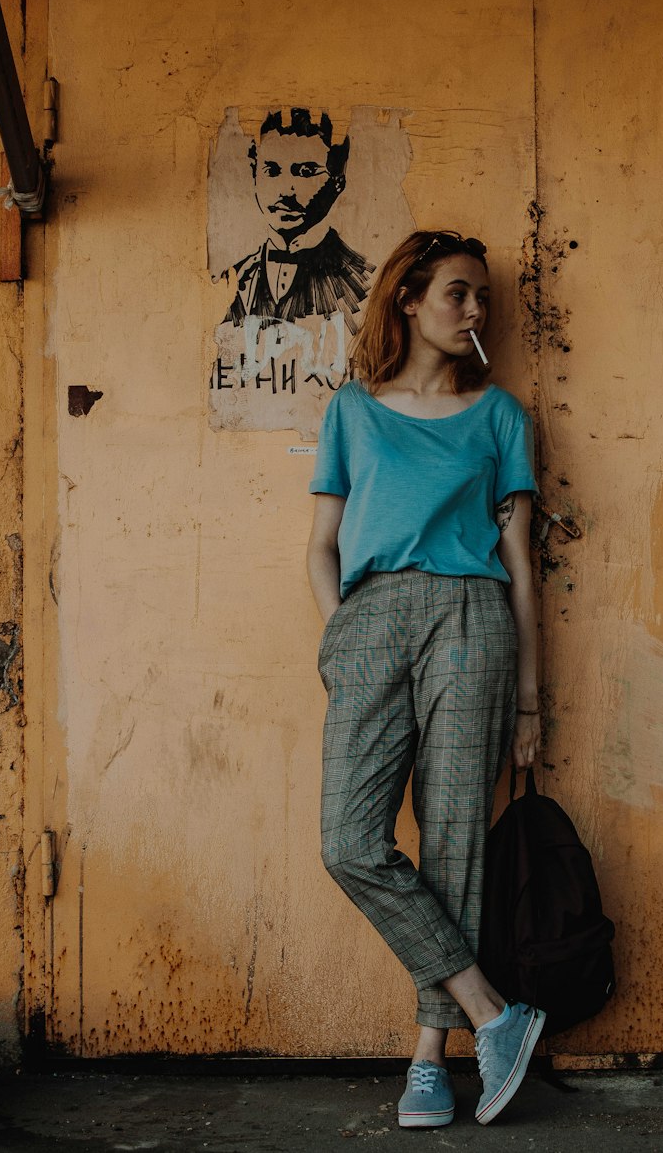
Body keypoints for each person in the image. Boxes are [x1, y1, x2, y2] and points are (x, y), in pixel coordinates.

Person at [307, 229, 545, 1129]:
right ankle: (496, 1014)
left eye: (482, 297)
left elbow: (520, 566)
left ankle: (429, 1062)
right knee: (350, 841)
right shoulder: (353, 411)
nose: (475, 310)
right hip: (371, 621)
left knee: (455, 840)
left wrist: (529, 696)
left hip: (471, 621)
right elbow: (321, 547)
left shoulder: (500, 417)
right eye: (458, 293)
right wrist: (342, 640)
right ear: (408, 299)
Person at [223, 107, 372, 332]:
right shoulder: (239, 275)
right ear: (254, 174)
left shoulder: (360, 279)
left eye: (306, 172)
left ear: (337, 181)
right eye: (271, 171)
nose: (286, 191)